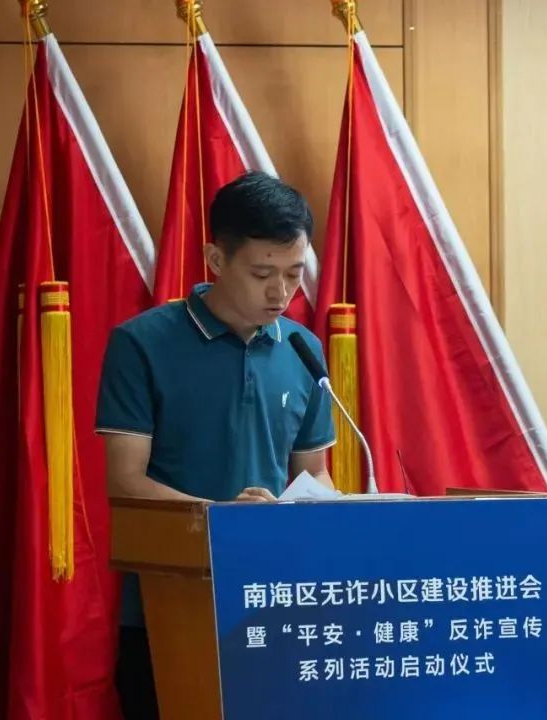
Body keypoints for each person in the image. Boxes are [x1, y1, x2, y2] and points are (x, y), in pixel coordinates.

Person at [95, 171, 336, 719]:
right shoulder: (142, 343)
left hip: (273, 600)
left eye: (294, 273)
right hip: (168, 600)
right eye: (262, 274)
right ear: (215, 258)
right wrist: (223, 519)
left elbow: (313, 473)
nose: (281, 292)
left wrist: (308, 510)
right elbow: (125, 481)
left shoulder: (303, 348)